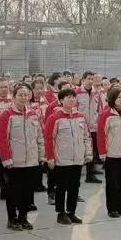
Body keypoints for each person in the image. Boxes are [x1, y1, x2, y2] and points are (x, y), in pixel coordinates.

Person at [0, 83, 45, 232]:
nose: (23, 98)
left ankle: (23, 218)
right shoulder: (6, 115)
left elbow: (40, 137)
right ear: (14, 96)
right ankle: (12, 219)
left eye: (26, 95)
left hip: (31, 161)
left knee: (27, 191)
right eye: (20, 95)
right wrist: (6, 159)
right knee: (13, 192)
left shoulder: (34, 114)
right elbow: (2, 139)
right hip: (14, 162)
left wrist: (41, 156)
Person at [44, 87, 92, 225]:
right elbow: (49, 139)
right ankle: (61, 213)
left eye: (73, 97)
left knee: (74, 186)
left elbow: (87, 137)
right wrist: (50, 157)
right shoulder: (54, 118)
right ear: (61, 100)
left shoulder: (81, 117)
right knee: (61, 187)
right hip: (62, 159)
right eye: (68, 97)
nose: (71, 99)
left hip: (77, 158)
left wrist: (88, 153)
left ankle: (71, 212)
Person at [99, 86, 121, 218]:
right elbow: (101, 135)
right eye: (118, 97)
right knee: (112, 183)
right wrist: (103, 153)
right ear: (112, 99)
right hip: (112, 154)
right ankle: (112, 208)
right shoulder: (106, 114)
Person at [75, 72, 103, 184]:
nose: (91, 81)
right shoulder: (77, 93)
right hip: (81, 127)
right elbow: (74, 109)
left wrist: (98, 123)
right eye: (89, 79)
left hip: (93, 127)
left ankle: (90, 173)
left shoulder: (96, 93)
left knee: (92, 149)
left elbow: (100, 110)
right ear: (83, 80)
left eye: (93, 79)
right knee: (81, 149)